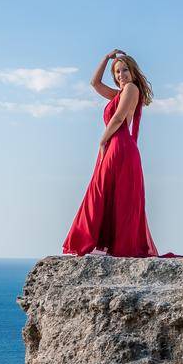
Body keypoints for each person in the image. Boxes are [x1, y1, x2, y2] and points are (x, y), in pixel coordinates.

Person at [62, 50, 172, 257]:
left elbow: (119, 117)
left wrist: (103, 139)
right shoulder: (120, 93)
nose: (121, 75)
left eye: (125, 70)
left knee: (106, 192)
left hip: (119, 145)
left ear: (133, 72)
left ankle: (103, 243)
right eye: (118, 72)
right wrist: (105, 58)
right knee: (106, 192)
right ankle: (101, 243)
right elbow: (95, 84)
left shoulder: (131, 89)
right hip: (116, 146)